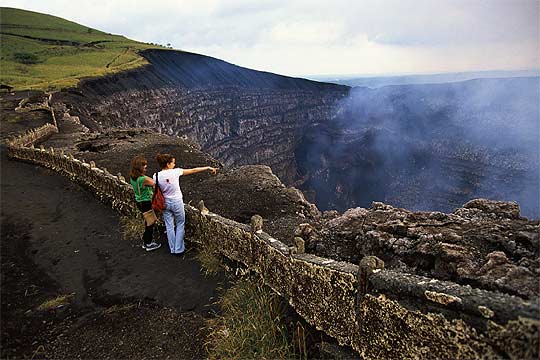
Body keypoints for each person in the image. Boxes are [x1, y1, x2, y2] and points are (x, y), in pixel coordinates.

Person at [154, 153, 218, 256]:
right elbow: (193, 170)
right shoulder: (175, 172)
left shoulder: (156, 176)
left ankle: (172, 249)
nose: (174, 165)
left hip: (164, 203)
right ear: (168, 164)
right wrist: (207, 167)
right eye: (173, 163)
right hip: (176, 201)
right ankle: (178, 249)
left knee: (169, 226)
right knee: (180, 223)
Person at [129, 155, 161, 252]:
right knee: (150, 223)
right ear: (140, 168)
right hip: (146, 202)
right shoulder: (143, 179)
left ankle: (146, 241)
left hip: (139, 201)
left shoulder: (133, 177)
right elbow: (155, 183)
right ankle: (148, 243)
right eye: (144, 166)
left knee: (148, 221)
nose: (146, 168)